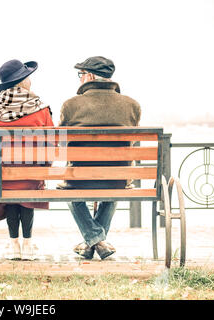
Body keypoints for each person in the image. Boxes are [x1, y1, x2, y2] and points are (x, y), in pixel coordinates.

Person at [58, 56, 141, 260]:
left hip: (79, 179)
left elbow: (60, 142)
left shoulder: (71, 105)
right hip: (117, 178)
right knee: (114, 188)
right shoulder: (132, 106)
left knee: (71, 194)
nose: (79, 79)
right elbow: (134, 141)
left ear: (91, 76)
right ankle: (99, 242)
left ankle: (94, 241)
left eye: (81, 75)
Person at [0, 59, 54, 260]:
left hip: (0, 177)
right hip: (31, 174)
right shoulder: (41, 108)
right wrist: (44, 167)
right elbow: (52, 144)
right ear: (23, 81)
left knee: (9, 187)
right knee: (25, 187)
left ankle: (14, 246)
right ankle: (28, 244)